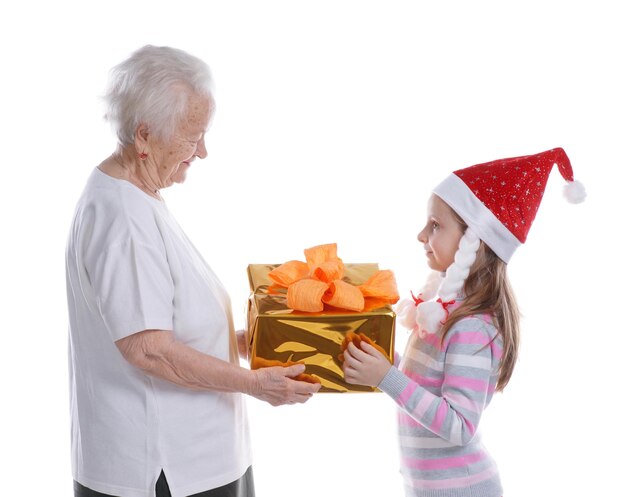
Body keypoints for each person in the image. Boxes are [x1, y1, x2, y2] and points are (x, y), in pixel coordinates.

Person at [65, 45, 321, 497]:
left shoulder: (137, 195)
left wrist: (254, 344)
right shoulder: (123, 219)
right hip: (164, 471)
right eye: (192, 136)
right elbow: (150, 351)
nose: (202, 151)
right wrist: (256, 385)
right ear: (144, 137)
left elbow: (165, 319)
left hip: (196, 460)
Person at [341, 148, 585, 496]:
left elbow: (459, 425)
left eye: (435, 225)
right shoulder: (443, 310)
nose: (421, 235)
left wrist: (386, 377)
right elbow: (423, 389)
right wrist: (382, 362)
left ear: (474, 242)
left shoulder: (472, 326)